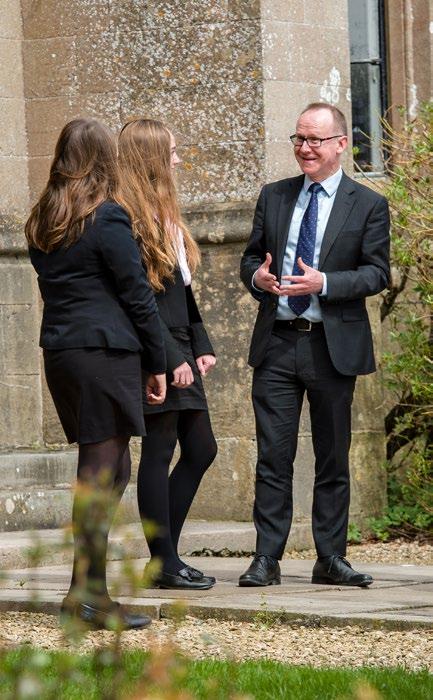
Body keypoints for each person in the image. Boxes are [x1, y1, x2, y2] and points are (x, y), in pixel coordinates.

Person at [239, 103, 390, 588]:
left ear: (341, 144)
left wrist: (324, 282)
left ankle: (330, 558)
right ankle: (267, 558)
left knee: (332, 457)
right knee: (273, 457)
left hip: (332, 346)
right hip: (278, 345)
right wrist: (259, 279)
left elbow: (377, 273)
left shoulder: (367, 204)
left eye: (315, 140)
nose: (305, 148)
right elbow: (250, 260)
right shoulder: (274, 196)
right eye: (299, 139)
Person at [26, 118, 167, 629]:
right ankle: (86, 598)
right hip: (103, 354)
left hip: (64, 353)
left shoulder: (44, 219)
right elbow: (136, 294)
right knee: (100, 474)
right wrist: (159, 361)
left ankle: (87, 592)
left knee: (111, 469)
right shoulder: (106, 216)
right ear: (105, 158)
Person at [117, 118, 217, 590]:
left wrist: (201, 344)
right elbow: (142, 300)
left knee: (202, 448)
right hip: (154, 347)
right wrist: (170, 356)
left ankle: (165, 558)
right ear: (151, 158)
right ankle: (165, 561)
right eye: (172, 152)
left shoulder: (164, 213)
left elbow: (182, 291)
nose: (177, 160)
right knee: (159, 451)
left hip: (178, 342)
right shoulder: (128, 220)